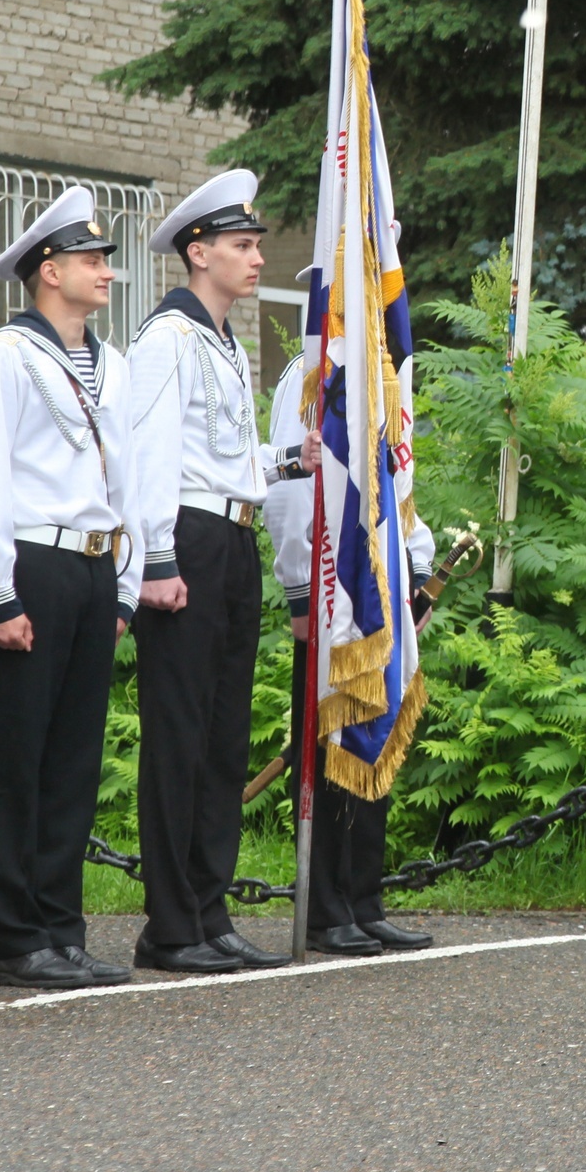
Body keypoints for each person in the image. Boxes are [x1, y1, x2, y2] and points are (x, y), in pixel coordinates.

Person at [0, 187, 143, 990]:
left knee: (73, 758)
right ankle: (19, 937)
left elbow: (126, 477)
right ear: (49, 270)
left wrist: (126, 586)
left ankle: (62, 929)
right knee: (21, 758)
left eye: (105, 258)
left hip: (93, 566)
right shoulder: (7, 355)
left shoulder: (114, 363)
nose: (107, 270)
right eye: (92, 259)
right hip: (33, 561)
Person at [124, 172, 289, 976]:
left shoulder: (221, 340)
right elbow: (152, 452)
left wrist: (288, 461)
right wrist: (154, 558)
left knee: (224, 733)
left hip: (233, 540)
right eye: (242, 245)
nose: (256, 258)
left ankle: (209, 904)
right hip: (186, 540)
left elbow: (224, 454)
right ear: (199, 251)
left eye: (255, 245)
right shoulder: (169, 337)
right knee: (181, 733)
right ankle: (171, 920)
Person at [263, 342, 436, 957]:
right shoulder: (315, 370)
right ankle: (325, 908)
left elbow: (396, 481)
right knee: (333, 739)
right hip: (333, 596)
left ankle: (363, 899)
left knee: (376, 735)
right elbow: (289, 497)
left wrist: (414, 567)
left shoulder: (380, 369)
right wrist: (300, 592)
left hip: (381, 589)